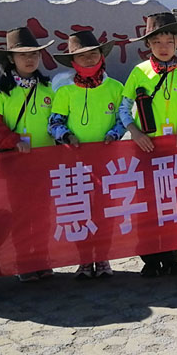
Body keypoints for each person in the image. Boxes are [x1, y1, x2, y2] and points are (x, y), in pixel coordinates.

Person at [120, 12, 177, 277]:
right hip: (145, 149)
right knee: (147, 205)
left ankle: (173, 257)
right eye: (157, 42)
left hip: (175, 150)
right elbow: (123, 108)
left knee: (174, 204)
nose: (163, 47)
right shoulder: (139, 72)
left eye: (169, 41)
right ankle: (150, 259)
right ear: (148, 44)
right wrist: (134, 131)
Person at [48, 31, 127, 279]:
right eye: (82, 56)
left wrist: (114, 134)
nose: (89, 59)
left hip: (107, 161)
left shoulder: (116, 87)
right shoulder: (65, 91)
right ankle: (83, 259)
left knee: (106, 211)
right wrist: (66, 136)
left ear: (102, 56)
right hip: (75, 162)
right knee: (79, 211)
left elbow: (124, 119)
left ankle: (103, 258)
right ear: (73, 62)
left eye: (93, 53)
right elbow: (54, 122)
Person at [0, 26, 56, 282]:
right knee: (20, 214)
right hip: (14, 163)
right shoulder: (1, 91)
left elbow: (58, 121)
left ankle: (43, 259)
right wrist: (13, 141)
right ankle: (23, 261)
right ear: (11, 59)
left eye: (34, 54)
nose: (30, 59)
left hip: (45, 163)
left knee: (44, 213)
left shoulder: (49, 89)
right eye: (23, 54)